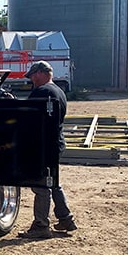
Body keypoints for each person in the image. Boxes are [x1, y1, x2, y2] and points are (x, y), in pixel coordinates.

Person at [18, 60, 78, 239]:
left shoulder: (42, 91)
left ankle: (41, 226)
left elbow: (28, 117)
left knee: (41, 184)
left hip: (43, 147)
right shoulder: (58, 91)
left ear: (40, 73)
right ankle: (66, 219)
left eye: (32, 76)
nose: (31, 80)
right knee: (53, 183)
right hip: (55, 144)